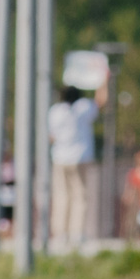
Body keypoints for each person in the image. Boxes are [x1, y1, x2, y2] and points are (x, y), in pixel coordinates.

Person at [47, 85, 101, 250]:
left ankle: (60, 233)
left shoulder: (55, 111)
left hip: (60, 157)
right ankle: (77, 233)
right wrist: (103, 80)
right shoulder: (83, 107)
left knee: (62, 195)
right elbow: (101, 102)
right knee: (80, 196)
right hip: (80, 157)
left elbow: (51, 136)